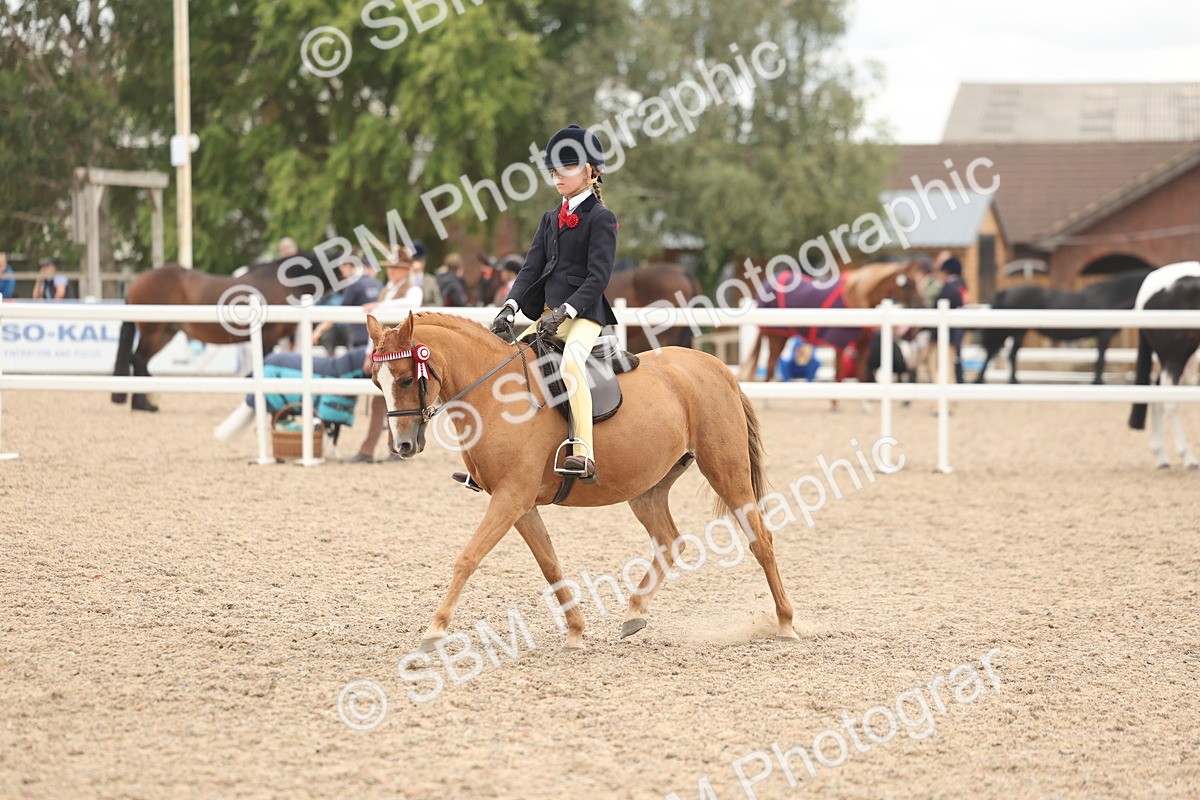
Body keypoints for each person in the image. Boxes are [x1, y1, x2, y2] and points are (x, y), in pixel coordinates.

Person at [490, 124, 618, 483]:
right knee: (505, 365)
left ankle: (583, 452)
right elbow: (530, 269)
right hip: (548, 315)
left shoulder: (601, 218)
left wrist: (567, 310)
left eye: (566, 167)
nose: (556, 175)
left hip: (584, 315)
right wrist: (510, 307)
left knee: (571, 366)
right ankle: (496, 455)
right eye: (553, 169)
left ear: (591, 172)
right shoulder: (550, 218)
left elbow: (598, 278)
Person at [345, 247, 423, 464]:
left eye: (396, 268)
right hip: (386, 355)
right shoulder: (386, 290)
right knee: (381, 403)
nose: (391, 272)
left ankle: (390, 447)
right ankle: (375, 449)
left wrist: (381, 305)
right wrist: (369, 353)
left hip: (402, 357)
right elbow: (378, 330)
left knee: (396, 403)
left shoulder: (412, 289)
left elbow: (411, 306)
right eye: (390, 268)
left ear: (405, 270)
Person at [410, 240, 443, 306]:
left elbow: (439, 303)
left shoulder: (431, 280)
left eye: (420, 260)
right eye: (414, 260)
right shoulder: (403, 279)